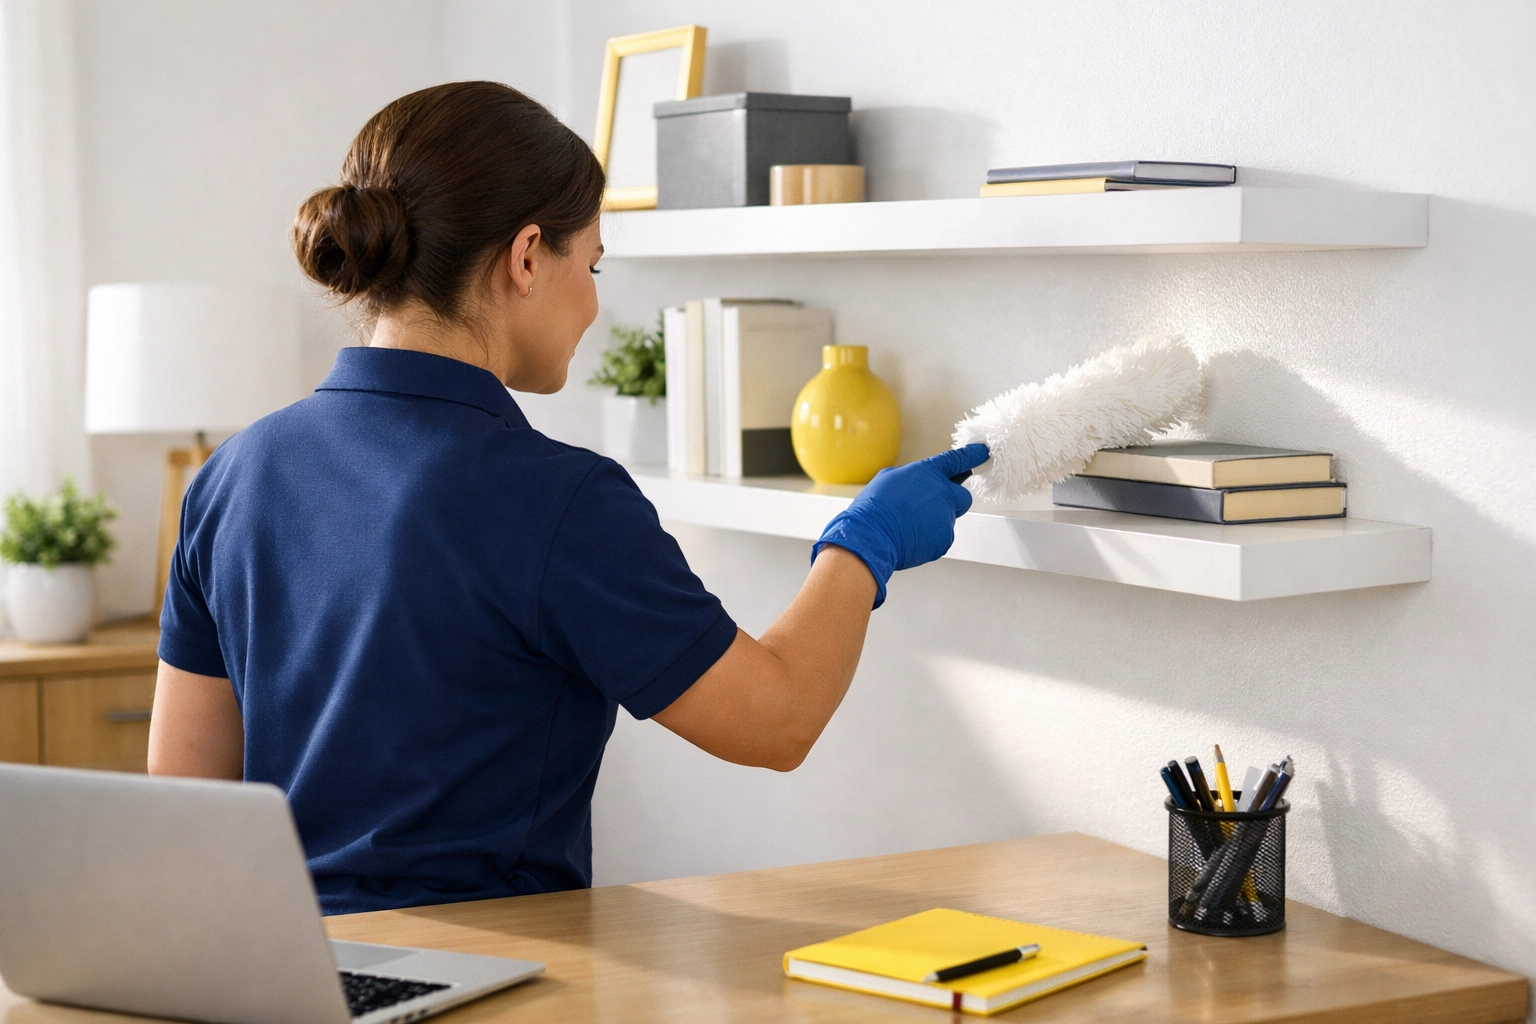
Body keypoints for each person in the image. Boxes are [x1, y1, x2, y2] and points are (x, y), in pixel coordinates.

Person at [147, 81, 989, 915]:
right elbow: (776, 722)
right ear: (524, 258)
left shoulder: (230, 476)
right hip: (480, 983)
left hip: (282, 976)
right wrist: (862, 542)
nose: (590, 300)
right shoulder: (556, 500)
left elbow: (186, 806)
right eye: (588, 264)